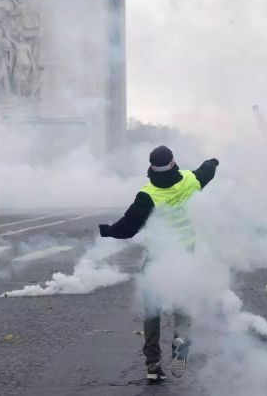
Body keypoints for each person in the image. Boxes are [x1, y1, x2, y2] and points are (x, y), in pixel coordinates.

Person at [98, 145, 218, 382]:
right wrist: (213, 161)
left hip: (157, 258)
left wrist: (108, 231)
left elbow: (128, 227)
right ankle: (181, 345)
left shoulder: (147, 194)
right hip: (185, 255)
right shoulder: (190, 181)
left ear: (152, 167)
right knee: (182, 304)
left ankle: (153, 362)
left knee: (152, 309)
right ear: (173, 163)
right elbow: (207, 171)